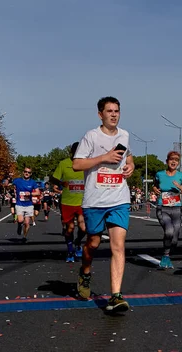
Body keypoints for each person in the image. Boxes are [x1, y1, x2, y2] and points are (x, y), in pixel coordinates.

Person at [72, 96, 135, 312]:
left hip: (119, 199)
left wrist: (131, 166)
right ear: (100, 114)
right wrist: (103, 158)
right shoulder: (91, 136)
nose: (114, 114)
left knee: (118, 246)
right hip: (95, 200)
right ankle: (85, 271)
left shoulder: (125, 135)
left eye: (117, 111)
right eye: (109, 111)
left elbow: (129, 157)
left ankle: (115, 296)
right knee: (93, 244)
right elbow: (77, 164)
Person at [153, 151, 182, 269]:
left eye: (176, 160)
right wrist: (155, 189)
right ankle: (165, 256)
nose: (174, 161)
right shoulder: (159, 174)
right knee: (169, 231)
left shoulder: (181, 176)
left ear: (178, 163)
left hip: (176, 209)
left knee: (174, 238)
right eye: (171, 159)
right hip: (162, 207)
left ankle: (167, 253)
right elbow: (154, 185)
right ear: (167, 161)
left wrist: (179, 187)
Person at [51, 142, 87, 263]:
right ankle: (70, 250)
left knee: (84, 227)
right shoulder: (64, 163)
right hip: (67, 202)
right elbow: (53, 178)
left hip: (83, 201)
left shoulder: (87, 163)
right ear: (71, 152)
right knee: (70, 228)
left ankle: (77, 242)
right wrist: (61, 183)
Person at [12, 167, 40, 242]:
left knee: (27, 223)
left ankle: (24, 237)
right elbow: (8, 184)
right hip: (19, 204)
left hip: (29, 205)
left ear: (31, 174)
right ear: (23, 172)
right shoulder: (17, 180)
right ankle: (19, 225)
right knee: (20, 220)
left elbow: (38, 192)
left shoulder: (33, 182)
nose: (27, 173)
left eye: (29, 172)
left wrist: (30, 193)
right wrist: (6, 181)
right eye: (25, 172)